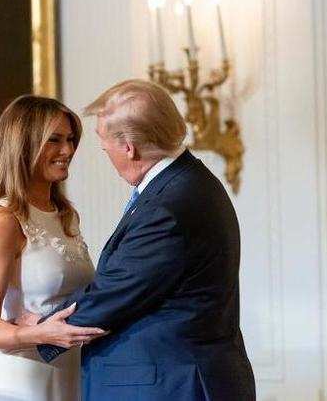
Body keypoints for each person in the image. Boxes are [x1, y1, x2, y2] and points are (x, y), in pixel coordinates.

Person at [30, 79, 256, 400]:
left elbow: (117, 291)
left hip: (168, 385)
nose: (104, 149)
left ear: (129, 147)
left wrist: (40, 327)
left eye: (103, 141)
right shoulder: (190, 182)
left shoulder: (168, 206)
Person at [0, 95, 105, 401]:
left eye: (70, 140)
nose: (67, 150)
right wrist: (39, 333)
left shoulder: (66, 215)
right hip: (23, 381)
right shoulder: (4, 219)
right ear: (23, 145)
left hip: (72, 374)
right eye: (54, 140)